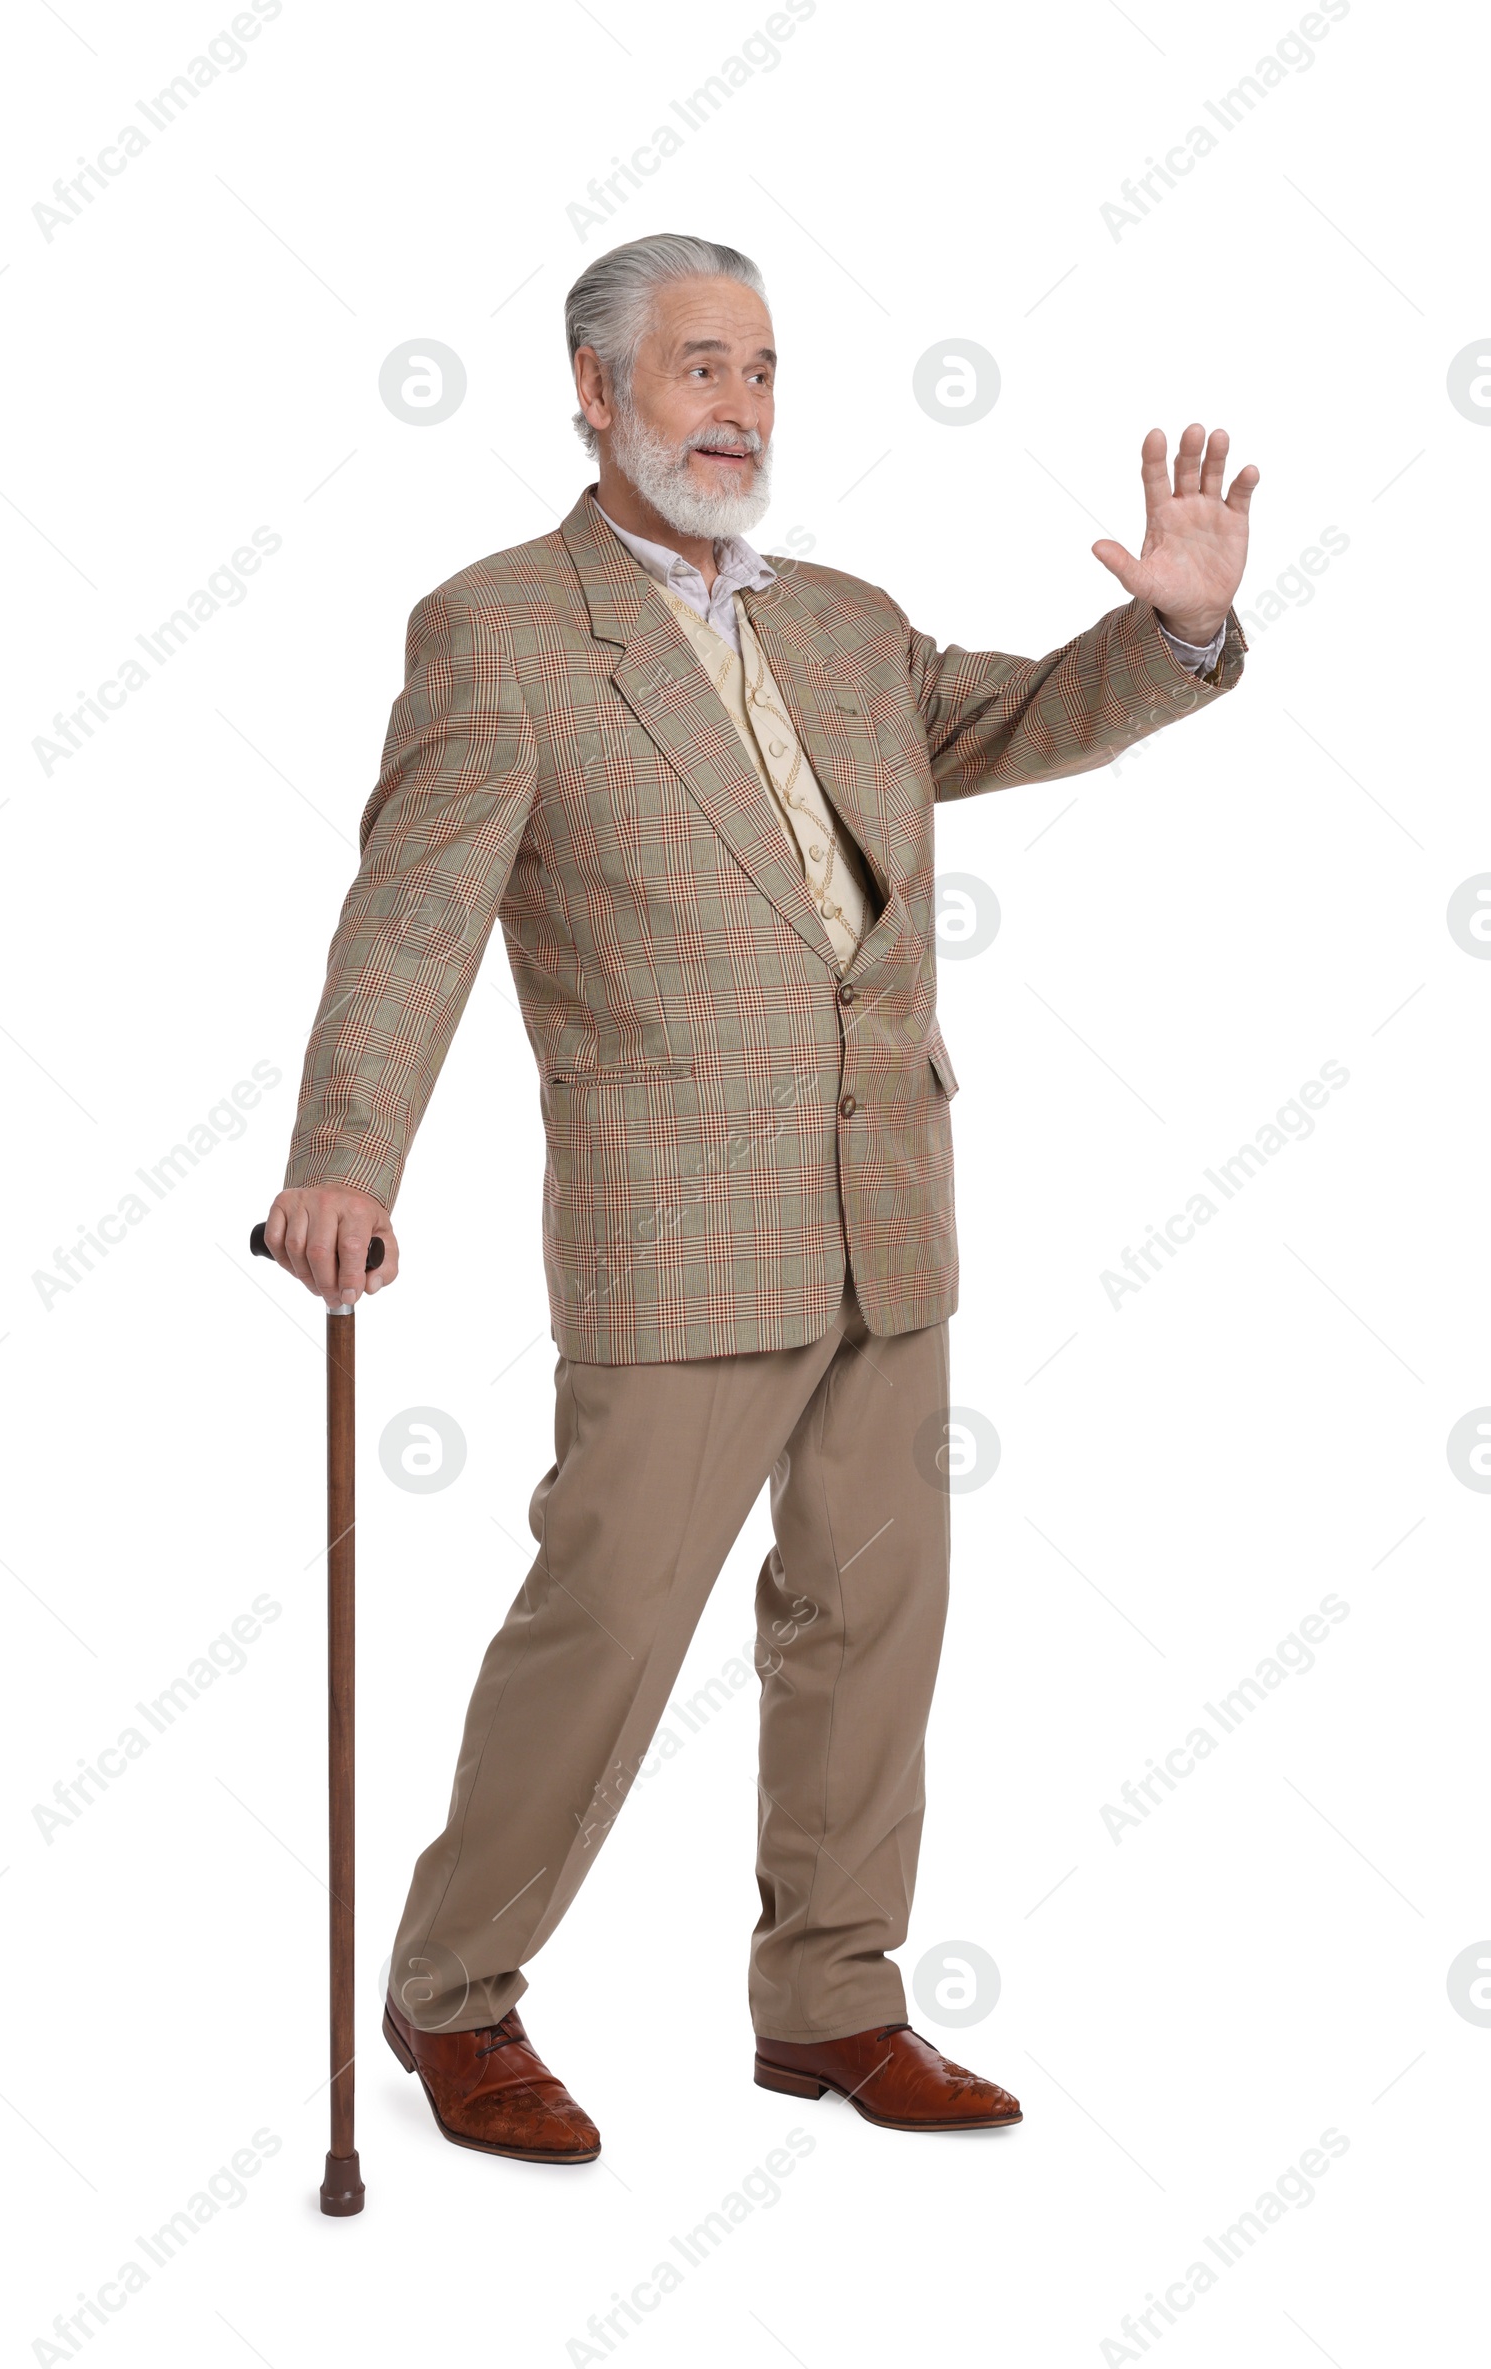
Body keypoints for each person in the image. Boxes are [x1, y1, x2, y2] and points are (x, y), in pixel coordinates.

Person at [264, 231, 1256, 2163]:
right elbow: (411, 919)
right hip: (673, 1221)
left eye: (764, 370)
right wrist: (343, 1159)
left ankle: (833, 1999)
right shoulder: (502, 630)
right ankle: (454, 1995)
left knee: (874, 1617)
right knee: (612, 1619)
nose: (738, 407)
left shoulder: (842, 620)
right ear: (595, 387)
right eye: (700, 368)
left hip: (888, 1200)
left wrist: (1179, 635)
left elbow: (1015, 720)